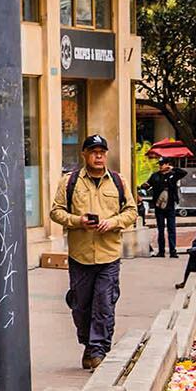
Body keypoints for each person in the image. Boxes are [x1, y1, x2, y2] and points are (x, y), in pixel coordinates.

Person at [49, 131, 138, 368]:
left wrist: (114, 222)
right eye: (93, 153)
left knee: (104, 302)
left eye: (101, 153)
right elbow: (55, 212)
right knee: (81, 305)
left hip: (109, 254)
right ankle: (88, 344)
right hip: (80, 255)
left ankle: (98, 349)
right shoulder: (69, 181)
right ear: (85, 155)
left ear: (106, 155)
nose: (98, 157)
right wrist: (78, 221)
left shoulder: (119, 181)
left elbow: (131, 211)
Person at [148, 159, 180, 258]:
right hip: (159, 207)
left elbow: (183, 173)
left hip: (170, 206)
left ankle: (173, 251)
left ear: (167, 164)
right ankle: (161, 251)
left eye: (162, 164)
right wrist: (145, 186)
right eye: (160, 164)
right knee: (160, 229)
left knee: (171, 229)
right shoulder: (155, 176)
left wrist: (172, 169)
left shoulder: (173, 175)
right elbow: (148, 184)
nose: (160, 166)